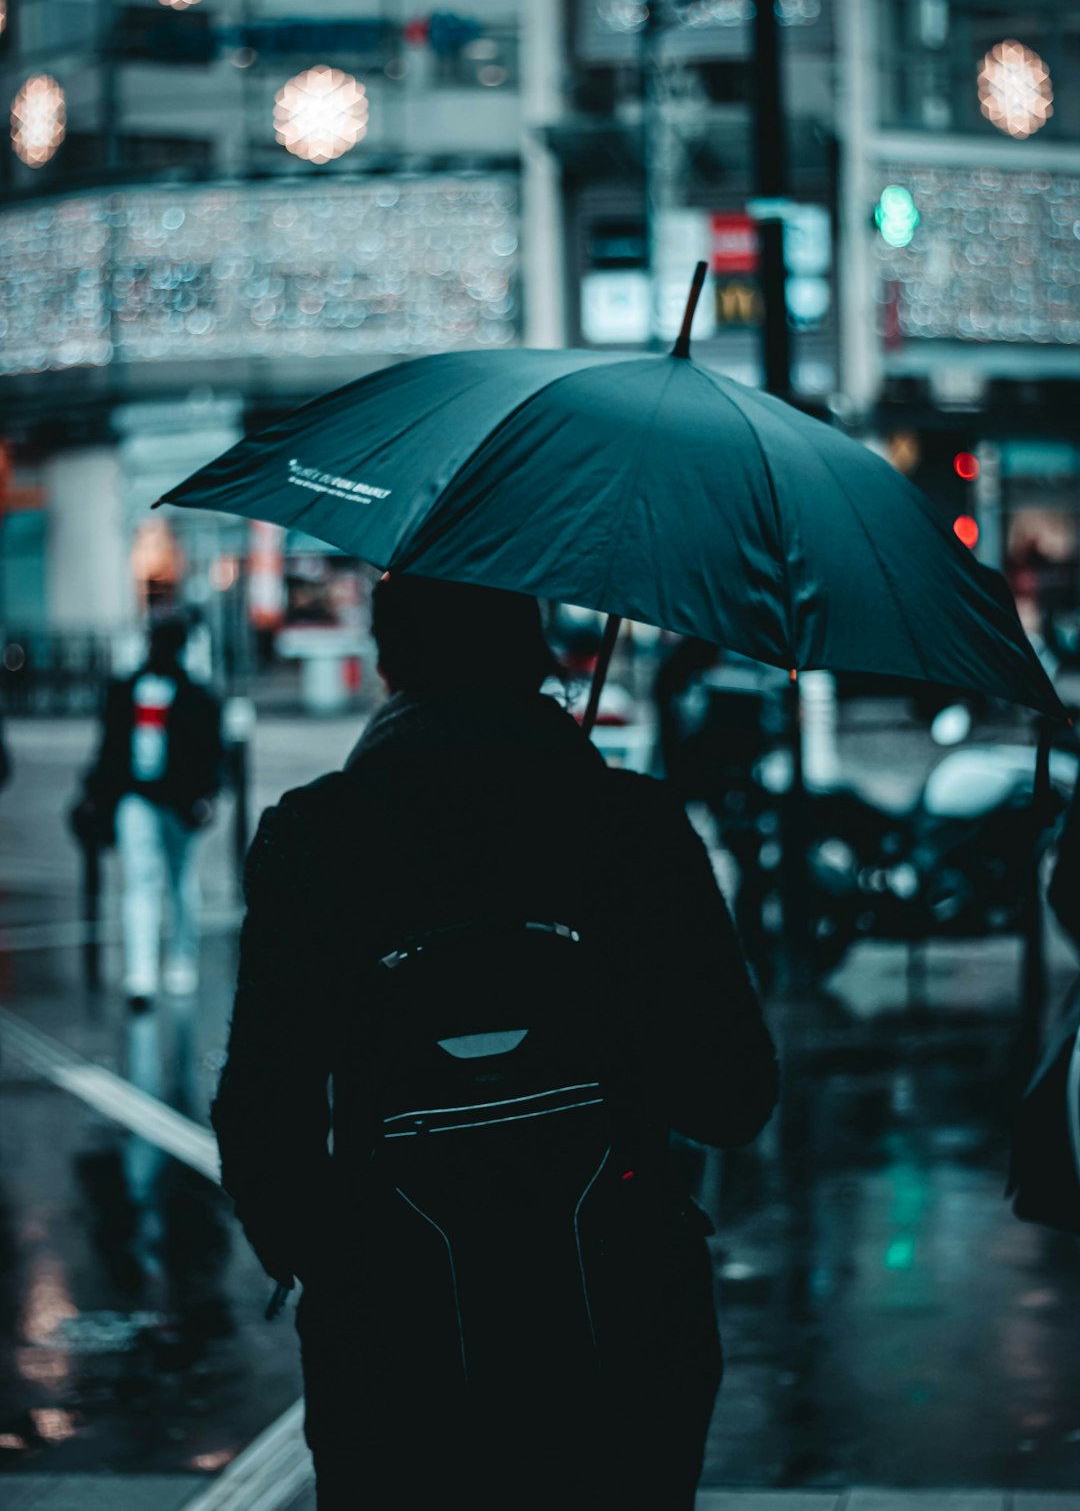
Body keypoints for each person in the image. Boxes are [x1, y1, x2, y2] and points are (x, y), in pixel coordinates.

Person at [212, 574, 778, 1511]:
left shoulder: (316, 837)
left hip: (394, 1337)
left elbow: (262, 1116)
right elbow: (733, 1097)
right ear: (539, 655)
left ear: (389, 660)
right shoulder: (631, 829)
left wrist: (339, 1264)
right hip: (620, 1322)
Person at [84, 611, 223, 1006]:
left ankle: (179, 960)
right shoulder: (128, 690)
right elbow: (109, 748)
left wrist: (206, 796)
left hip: (178, 801)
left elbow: (213, 753)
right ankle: (141, 972)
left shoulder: (195, 695)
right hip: (138, 796)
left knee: (178, 882)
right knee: (144, 881)